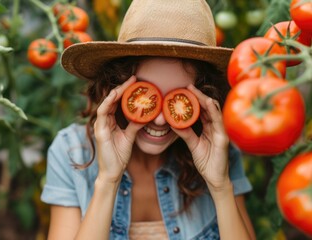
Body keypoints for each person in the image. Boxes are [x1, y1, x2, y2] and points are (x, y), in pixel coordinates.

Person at [41, 0, 256, 239]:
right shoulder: (70, 151)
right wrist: (108, 180)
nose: (162, 120)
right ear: (115, 87)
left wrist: (220, 186)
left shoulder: (219, 150)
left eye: (180, 101)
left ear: (203, 99)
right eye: (144, 96)